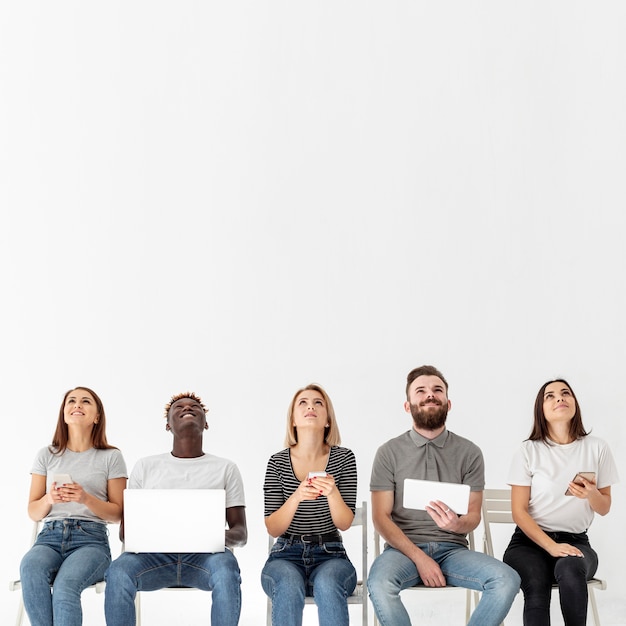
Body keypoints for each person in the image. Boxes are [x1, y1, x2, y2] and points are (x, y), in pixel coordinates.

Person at [368, 365, 520, 626]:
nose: (431, 395)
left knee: (507, 579)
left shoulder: (470, 452)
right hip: (402, 551)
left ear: (448, 404)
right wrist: (420, 558)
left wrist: (457, 524)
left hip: (453, 551)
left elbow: (473, 515)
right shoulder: (388, 453)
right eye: (421, 391)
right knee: (379, 584)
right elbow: (381, 518)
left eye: (437, 390)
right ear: (408, 406)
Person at [104, 391, 247, 626]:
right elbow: (125, 533)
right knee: (119, 572)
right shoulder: (145, 466)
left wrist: (207, 536)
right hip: (154, 559)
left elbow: (240, 534)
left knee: (226, 569)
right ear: (168, 425)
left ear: (206, 423)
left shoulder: (226, 468)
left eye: (194, 406)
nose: (187, 407)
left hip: (205, 559)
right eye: (179, 407)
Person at [503, 379, 619, 626]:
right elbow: (519, 512)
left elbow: (605, 507)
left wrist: (591, 494)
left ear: (574, 403)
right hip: (528, 543)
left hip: (576, 540)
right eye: (550, 396)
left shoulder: (597, 448)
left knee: (570, 569)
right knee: (536, 584)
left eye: (566, 393)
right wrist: (551, 546)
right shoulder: (528, 451)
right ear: (541, 410)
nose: (559, 398)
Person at [19, 387, 127, 626]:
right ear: (64, 412)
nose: (77, 404)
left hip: (90, 541)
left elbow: (119, 513)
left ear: (97, 416)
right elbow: (33, 511)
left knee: (65, 585)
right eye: (72, 401)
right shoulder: (46, 455)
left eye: (86, 401)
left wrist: (85, 498)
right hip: (49, 538)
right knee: (29, 567)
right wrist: (49, 499)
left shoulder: (111, 456)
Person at [261, 383, 358, 626]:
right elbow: (273, 528)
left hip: (331, 554)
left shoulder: (344, 458)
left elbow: (345, 523)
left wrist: (333, 493)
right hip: (285, 554)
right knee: (288, 584)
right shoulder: (277, 462)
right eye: (302, 403)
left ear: (328, 419)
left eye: (318, 402)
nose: (310, 407)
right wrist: (296, 496)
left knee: (327, 584)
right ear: (293, 419)